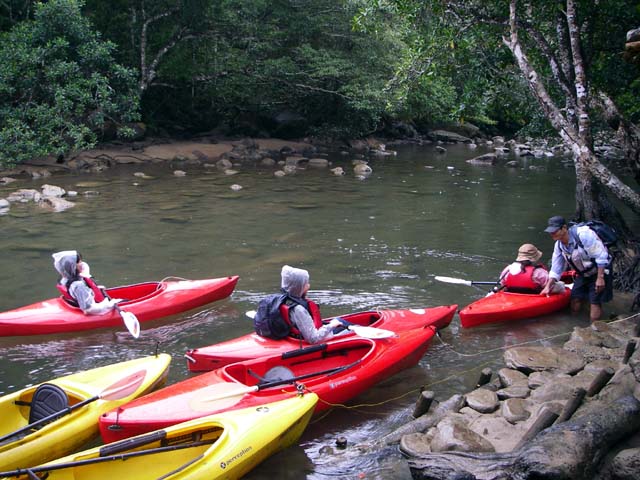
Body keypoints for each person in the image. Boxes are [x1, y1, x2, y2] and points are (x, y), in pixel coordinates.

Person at [540, 216, 613, 321]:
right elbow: (557, 267)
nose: (552, 234)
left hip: (600, 270)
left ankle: (595, 327)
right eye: (550, 232)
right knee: (575, 298)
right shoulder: (559, 245)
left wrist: (600, 278)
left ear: (564, 228)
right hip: (584, 273)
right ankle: (575, 323)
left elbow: (601, 256)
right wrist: (548, 286)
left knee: (595, 301)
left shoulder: (584, 235)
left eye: (555, 231)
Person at [279, 265, 342, 344]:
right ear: (298, 287)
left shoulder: (283, 300)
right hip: (316, 339)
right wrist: (332, 325)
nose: (308, 286)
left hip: (294, 335)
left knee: (340, 320)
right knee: (347, 326)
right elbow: (313, 338)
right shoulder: (298, 309)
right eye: (306, 284)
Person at [52, 250, 121, 315]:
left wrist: (93, 289)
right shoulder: (78, 285)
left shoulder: (65, 279)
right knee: (122, 300)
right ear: (71, 266)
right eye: (78, 262)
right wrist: (110, 305)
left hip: (77, 303)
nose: (82, 264)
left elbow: (75, 292)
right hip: (94, 308)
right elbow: (89, 309)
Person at [498, 243, 565, 294]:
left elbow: (502, 283)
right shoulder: (539, 272)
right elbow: (548, 284)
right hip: (533, 294)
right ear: (535, 258)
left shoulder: (508, 269)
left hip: (513, 293)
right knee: (561, 285)